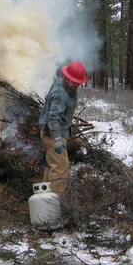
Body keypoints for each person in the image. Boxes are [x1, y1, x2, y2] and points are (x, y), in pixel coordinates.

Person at [39, 61, 88, 196]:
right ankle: (55, 202)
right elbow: (52, 119)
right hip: (53, 134)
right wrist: (58, 139)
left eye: (79, 82)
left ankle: (44, 198)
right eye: (74, 81)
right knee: (61, 168)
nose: (77, 84)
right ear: (67, 77)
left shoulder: (67, 86)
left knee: (52, 166)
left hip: (57, 132)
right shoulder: (60, 94)